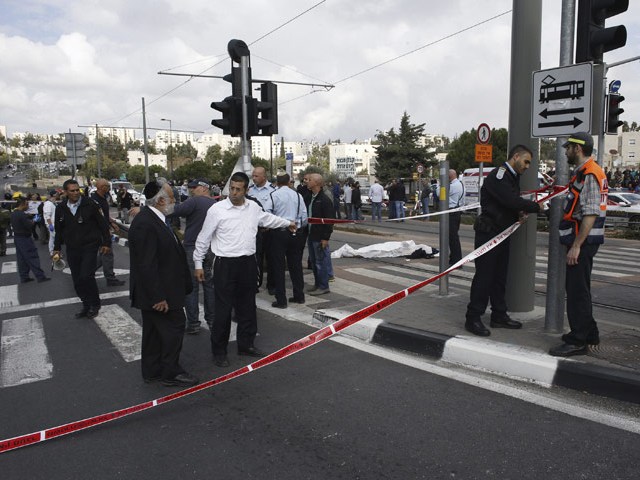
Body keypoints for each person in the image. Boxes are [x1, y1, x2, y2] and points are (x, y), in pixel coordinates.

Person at [193, 172, 296, 368]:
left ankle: (246, 344)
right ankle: (219, 351)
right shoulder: (217, 210)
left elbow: (268, 219)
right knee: (223, 310)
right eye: (231, 188)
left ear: (246, 190)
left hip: (248, 263)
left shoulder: (253, 208)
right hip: (225, 265)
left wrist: (288, 223)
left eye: (238, 189)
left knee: (247, 307)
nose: (233, 192)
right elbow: (203, 238)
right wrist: (198, 263)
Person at [464, 145, 541, 336]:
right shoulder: (500, 175)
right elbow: (510, 200)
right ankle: (473, 318)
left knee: (499, 277)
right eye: (526, 161)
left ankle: (499, 315)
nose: (527, 166)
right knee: (484, 277)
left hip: (502, 233)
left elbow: (508, 203)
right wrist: (536, 207)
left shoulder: (512, 176)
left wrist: (519, 214)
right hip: (489, 233)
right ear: (515, 157)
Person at [128, 179, 198, 387]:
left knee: (153, 333)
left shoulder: (156, 220)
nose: (175, 202)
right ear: (160, 200)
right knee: (173, 329)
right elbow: (146, 265)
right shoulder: (146, 224)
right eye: (172, 198)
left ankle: (152, 370)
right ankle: (171, 372)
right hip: (161, 293)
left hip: (163, 289)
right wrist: (157, 297)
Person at [549, 132, 608, 357]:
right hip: (582, 240)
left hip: (582, 241)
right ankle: (590, 333)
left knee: (576, 292)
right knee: (580, 289)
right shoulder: (584, 172)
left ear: (578, 149)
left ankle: (578, 340)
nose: (565, 152)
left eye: (568, 148)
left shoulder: (591, 173)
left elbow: (591, 213)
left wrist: (577, 245)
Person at [53, 179, 112, 319]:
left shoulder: (90, 204)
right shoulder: (61, 208)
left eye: (77, 190)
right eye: (72, 191)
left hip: (89, 246)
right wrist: (56, 249)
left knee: (86, 275)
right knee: (77, 280)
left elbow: (103, 225)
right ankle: (86, 305)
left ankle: (94, 305)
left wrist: (106, 244)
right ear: (66, 192)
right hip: (72, 248)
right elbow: (59, 230)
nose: (75, 193)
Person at [168, 178, 216, 334]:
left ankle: (194, 323)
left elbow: (172, 211)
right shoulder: (217, 205)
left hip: (193, 248)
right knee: (209, 285)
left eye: (194, 188)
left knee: (192, 287)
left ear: (203, 188)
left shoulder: (194, 202)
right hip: (211, 249)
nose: (191, 191)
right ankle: (212, 318)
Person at [268, 173, 308, 308]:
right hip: (295, 233)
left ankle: (281, 300)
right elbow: (304, 215)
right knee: (296, 265)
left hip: (279, 233)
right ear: (289, 182)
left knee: (278, 267)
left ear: (277, 182)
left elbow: (268, 215)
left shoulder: (274, 195)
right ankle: (299, 295)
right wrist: (297, 226)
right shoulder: (297, 195)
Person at [91, 179, 125, 287]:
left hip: (103, 228)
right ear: (102, 187)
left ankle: (87, 271)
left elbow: (104, 215)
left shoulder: (102, 197)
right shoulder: (95, 200)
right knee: (107, 254)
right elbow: (99, 218)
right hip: (100, 231)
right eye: (107, 186)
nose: (108, 188)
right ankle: (110, 278)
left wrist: (112, 221)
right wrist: (107, 229)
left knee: (103, 255)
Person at [305, 173, 335, 295]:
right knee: (314, 262)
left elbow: (329, 221)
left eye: (310, 180)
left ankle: (324, 286)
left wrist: (325, 238)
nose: (307, 181)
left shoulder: (324, 200)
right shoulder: (311, 197)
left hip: (319, 236)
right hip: (311, 235)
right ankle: (317, 284)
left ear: (317, 183)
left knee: (320, 262)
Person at [10, 196, 50, 283]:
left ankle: (24, 277)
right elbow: (29, 225)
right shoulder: (22, 215)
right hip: (25, 238)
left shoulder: (13, 213)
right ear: (23, 204)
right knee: (32, 256)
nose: (28, 206)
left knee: (21, 258)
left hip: (17, 237)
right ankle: (40, 276)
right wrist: (34, 221)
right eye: (27, 204)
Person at [249, 166, 275, 292]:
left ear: (264, 176)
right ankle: (256, 283)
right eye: (253, 176)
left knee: (271, 258)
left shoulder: (273, 190)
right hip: (255, 230)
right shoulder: (249, 191)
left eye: (256, 176)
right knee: (256, 258)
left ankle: (271, 285)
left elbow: (276, 209)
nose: (254, 178)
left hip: (270, 230)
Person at [448, 169, 465, 266]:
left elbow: (438, 194)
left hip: (451, 213)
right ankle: (455, 257)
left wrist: (441, 183)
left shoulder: (452, 186)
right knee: (453, 237)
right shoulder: (461, 184)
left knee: (452, 238)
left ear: (450, 176)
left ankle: (456, 260)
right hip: (457, 211)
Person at [42, 190, 57, 256]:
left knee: (52, 238)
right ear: (53, 195)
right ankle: (54, 252)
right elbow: (47, 216)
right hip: (51, 224)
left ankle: (52, 252)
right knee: (55, 239)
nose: (57, 195)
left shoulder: (52, 203)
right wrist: (50, 225)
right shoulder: (48, 204)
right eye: (56, 194)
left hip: (53, 223)